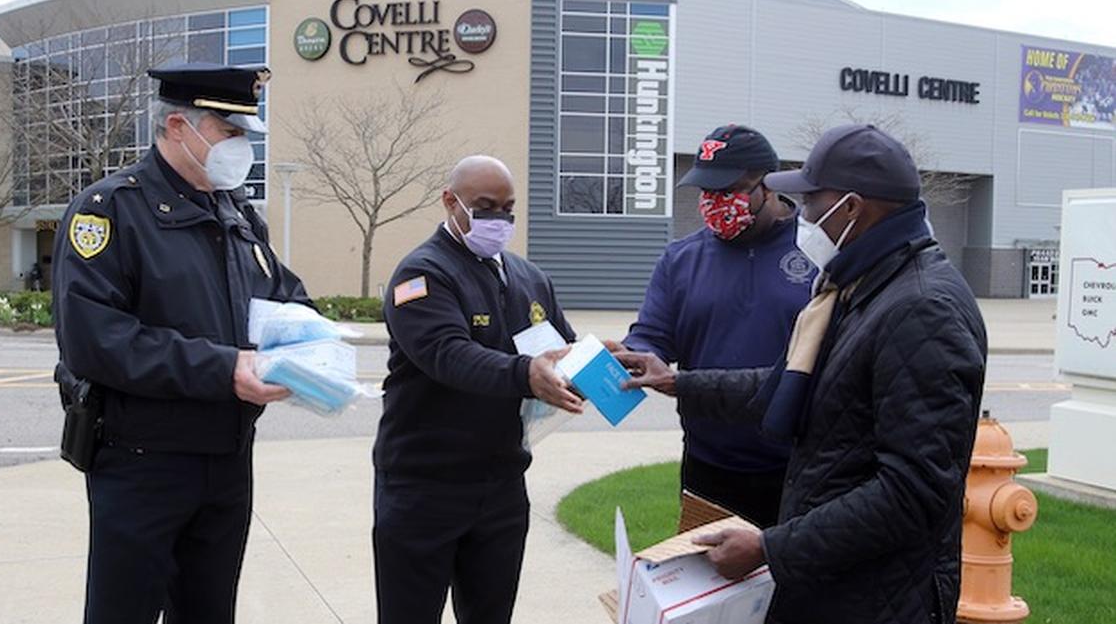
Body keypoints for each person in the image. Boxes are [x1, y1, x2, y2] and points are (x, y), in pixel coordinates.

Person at [617, 124, 988, 624]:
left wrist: (772, 546)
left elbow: (912, 492)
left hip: (878, 594)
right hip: (833, 566)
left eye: (811, 201)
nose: (805, 217)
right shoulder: (866, 287)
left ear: (852, 207)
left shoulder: (921, 307)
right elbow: (791, 384)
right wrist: (678, 382)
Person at [52, 63, 310, 624]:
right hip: (144, 464)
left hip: (227, 460)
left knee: (210, 612)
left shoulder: (237, 216)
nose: (241, 148)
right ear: (176, 125)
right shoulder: (111, 212)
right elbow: (96, 341)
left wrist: (311, 348)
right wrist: (225, 369)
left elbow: (287, 299)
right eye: (230, 133)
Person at [374, 155, 583, 624]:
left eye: (508, 208)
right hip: (424, 486)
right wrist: (526, 373)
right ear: (451, 202)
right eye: (484, 207)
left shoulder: (529, 278)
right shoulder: (421, 276)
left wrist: (597, 365)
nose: (499, 220)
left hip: (502, 486)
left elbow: (561, 353)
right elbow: (447, 354)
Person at [610, 124, 814, 528]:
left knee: (795, 588)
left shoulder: (818, 250)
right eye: (707, 192)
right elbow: (653, 336)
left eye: (728, 191)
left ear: (768, 186)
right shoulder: (681, 259)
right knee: (708, 586)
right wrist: (626, 355)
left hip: (800, 468)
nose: (714, 203)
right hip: (708, 467)